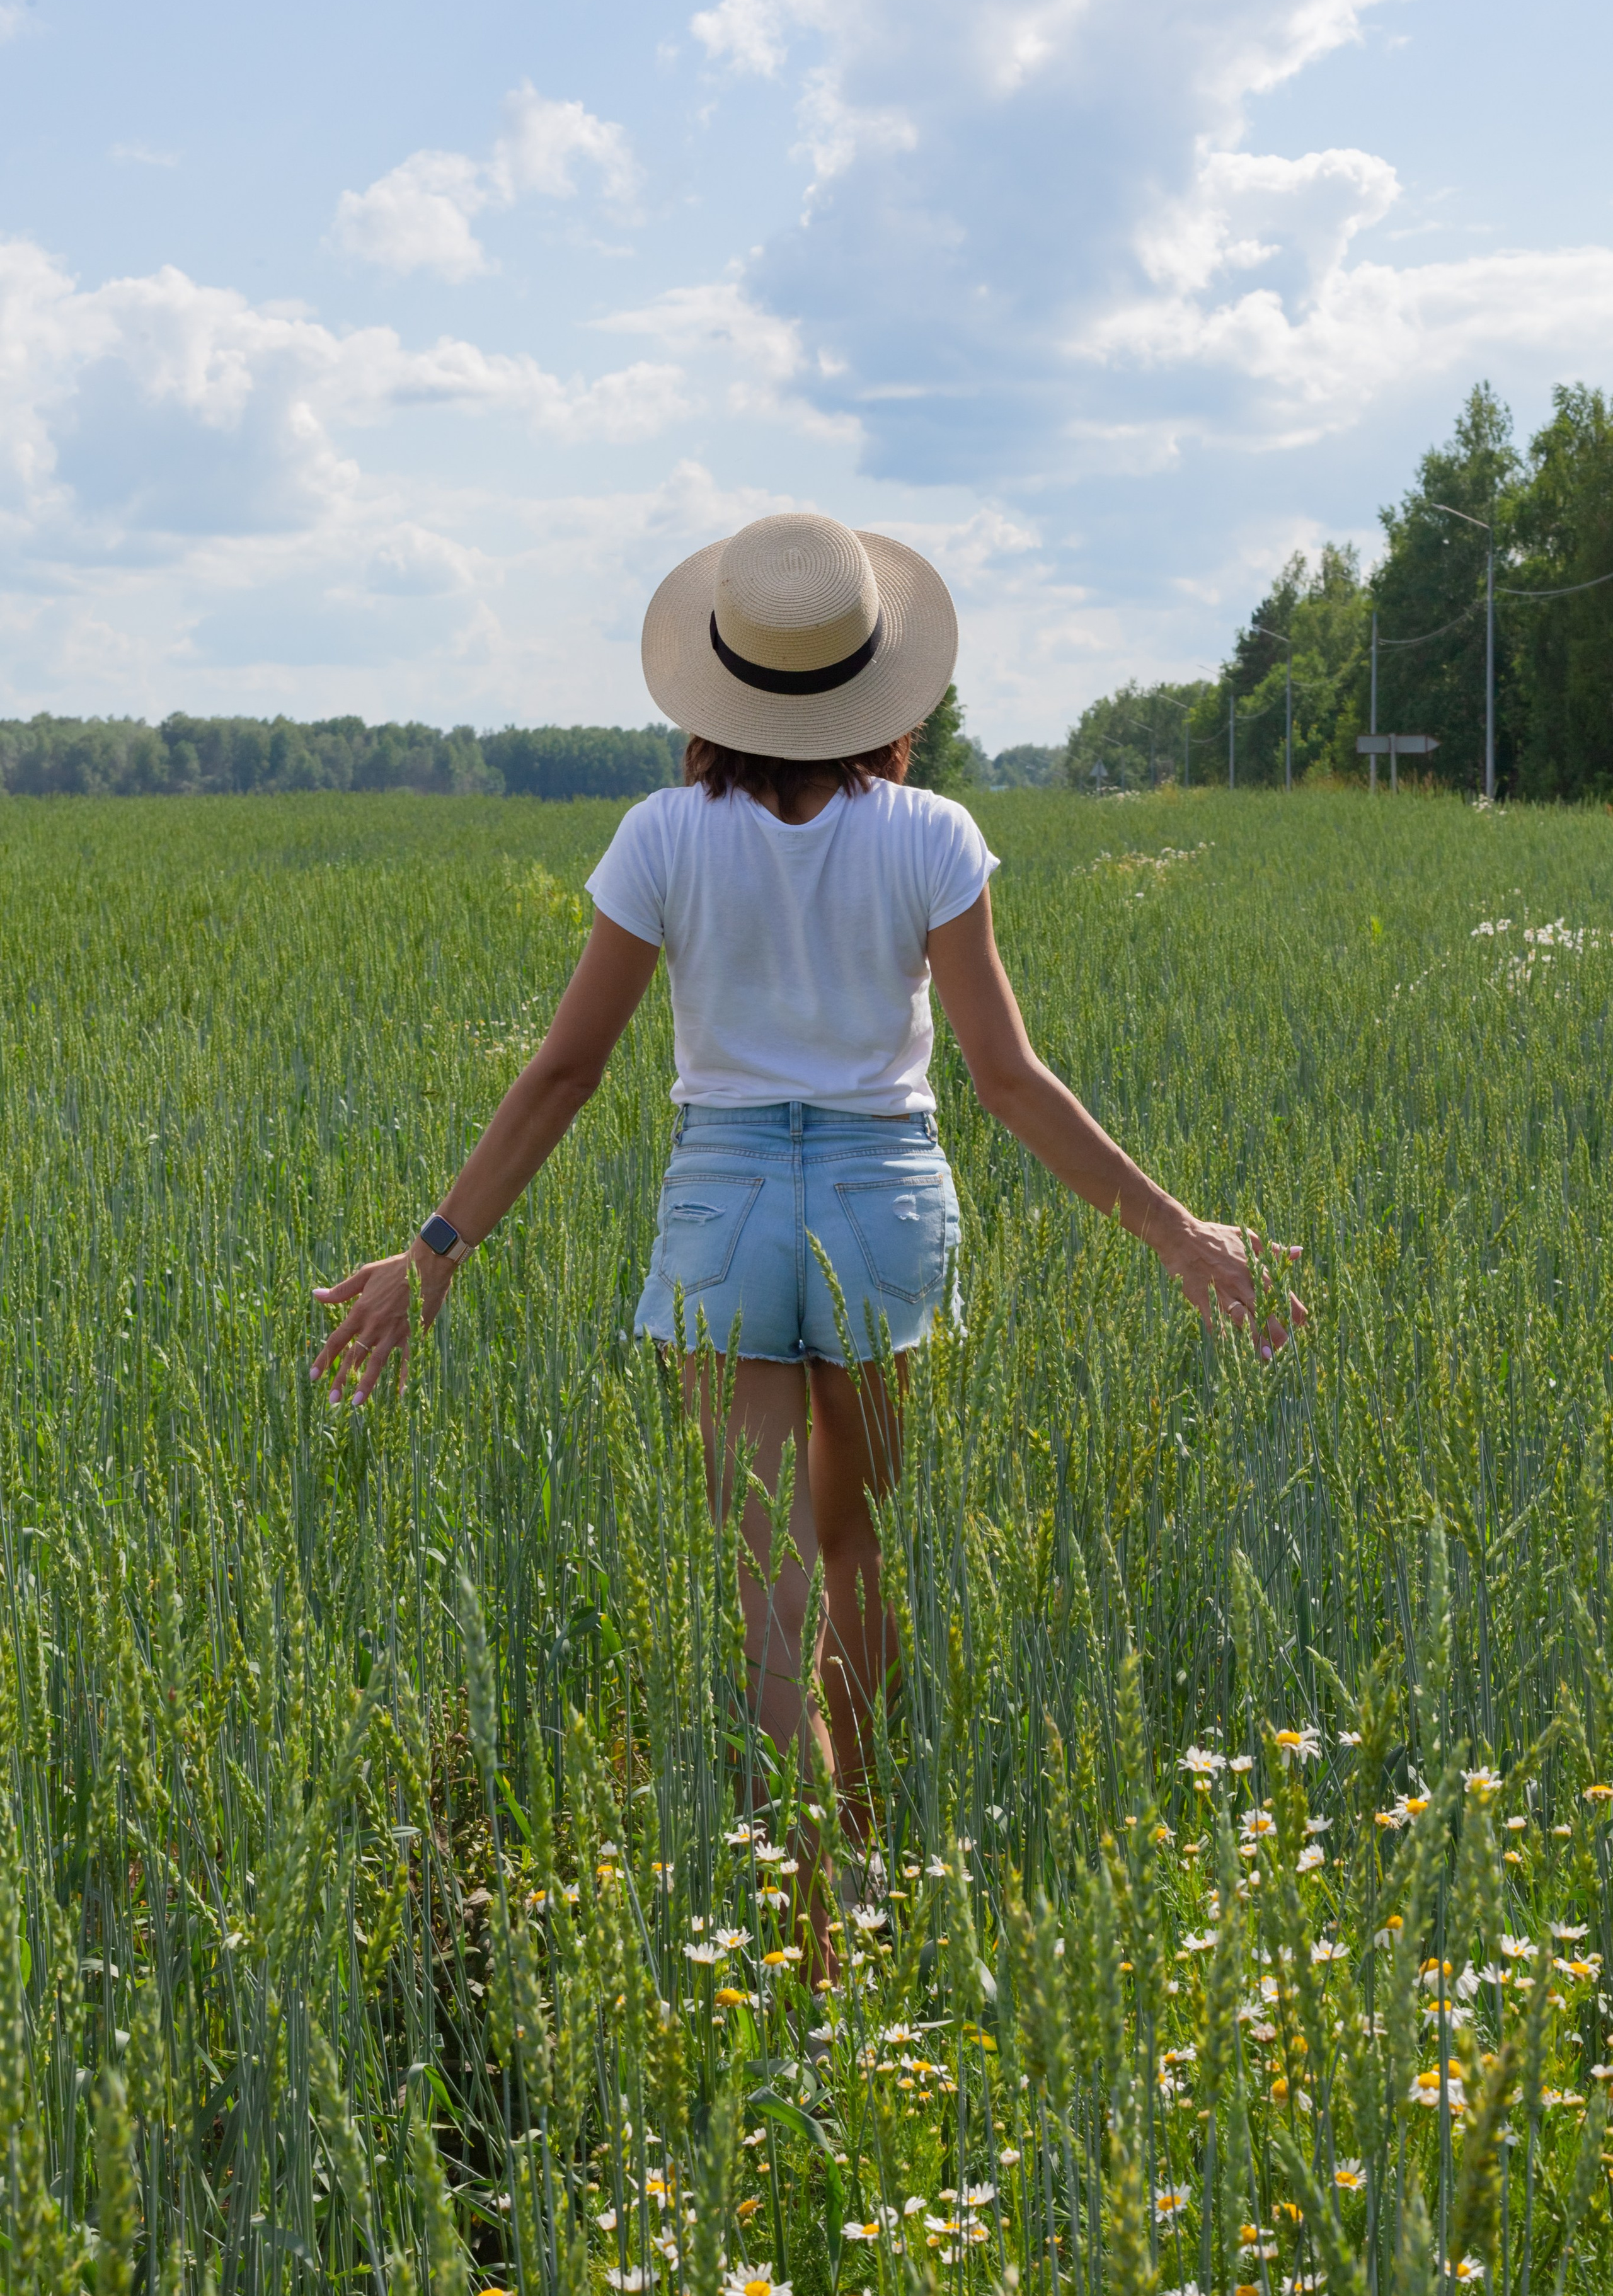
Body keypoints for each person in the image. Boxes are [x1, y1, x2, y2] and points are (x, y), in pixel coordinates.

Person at [312, 512, 1304, 1876]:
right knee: (855, 1549)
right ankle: (867, 1849)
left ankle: (811, 1928)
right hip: (882, 1205)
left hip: (722, 1212)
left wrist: (434, 1251)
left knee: (767, 1598)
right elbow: (1006, 1079)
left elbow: (562, 1074)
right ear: (874, 685)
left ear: (718, 681)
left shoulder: (660, 837)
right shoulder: (930, 835)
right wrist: (1177, 1234)